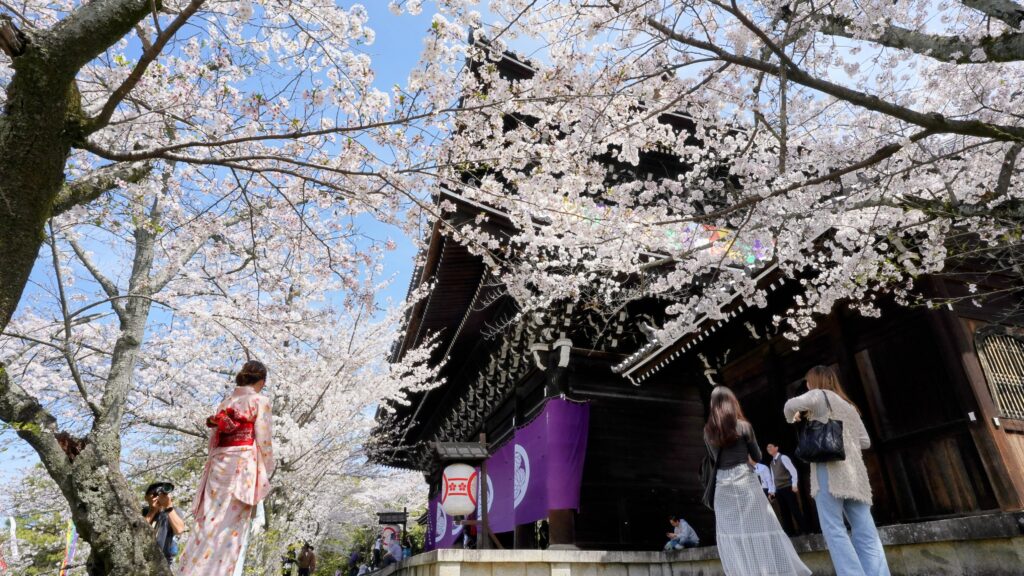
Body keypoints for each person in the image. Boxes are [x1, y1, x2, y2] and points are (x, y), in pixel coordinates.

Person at [785, 366, 891, 576]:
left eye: (808, 382)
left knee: (834, 529)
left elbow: (789, 405)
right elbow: (865, 442)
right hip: (856, 477)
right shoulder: (850, 407)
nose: (807, 385)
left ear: (813, 382)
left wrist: (794, 416)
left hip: (829, 472)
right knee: (866, 531)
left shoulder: (818, 395)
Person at [178, 360, 274, 576]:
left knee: (209, 521)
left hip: (218, 466)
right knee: (229, 527)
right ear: (261, 381)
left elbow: (214, 439)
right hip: (242, 468)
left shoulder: (226, 402)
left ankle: (191, 570)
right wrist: (266, 467)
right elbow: (264, 439)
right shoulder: (260, 400)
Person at [704, 385, 810, 576]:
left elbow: (714, 459)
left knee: (734, 535)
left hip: (722, 485)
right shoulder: (744, 426)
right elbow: (757, 456)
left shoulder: (708, 431)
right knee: (760, 526)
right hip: (745, 479)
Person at [767, 443, 811, 536]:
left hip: (787, 487)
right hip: (779, 490)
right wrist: (773, 492)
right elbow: (773, 478)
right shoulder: (771, 463)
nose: (768, 449)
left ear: (776, 447)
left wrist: (794, 484)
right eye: (767, 448)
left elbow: (793, 471)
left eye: (770, 446)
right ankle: (790, 533)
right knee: (784, 512)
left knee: (795, 509)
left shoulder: (783, 458)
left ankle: (805, 531)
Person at [142, 481, 186, 566]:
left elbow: (179, 530)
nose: (158, 498)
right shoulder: (142, 511)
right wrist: (152, 511)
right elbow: (138, 532)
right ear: (146, 498)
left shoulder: (173, 511)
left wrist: (168, 507)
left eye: (161, 495)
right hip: (142, 560)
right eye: (154, 495)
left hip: (163, 561)